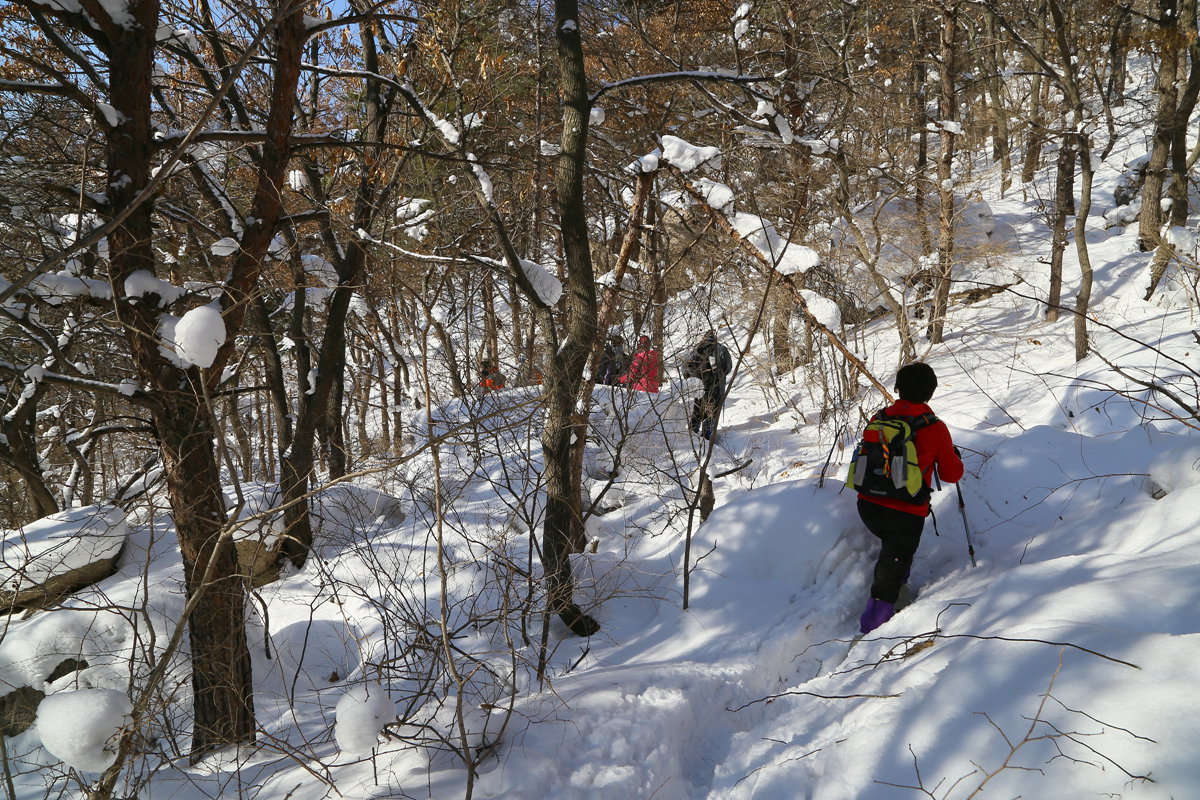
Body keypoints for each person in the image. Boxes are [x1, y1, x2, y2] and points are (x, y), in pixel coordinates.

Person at [856, 362, 963, 634]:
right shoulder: (934, 427)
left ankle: (899, 588)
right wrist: (954, 458)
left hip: (868, 504)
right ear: (930, 392)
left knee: (896, 554)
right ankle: (873, 625)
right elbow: (951, 475)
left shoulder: (879, 417)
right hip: (905, 512)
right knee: (893, 561)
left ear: (899, 388)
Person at [684, 330, 732, 440]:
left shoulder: (697, 350)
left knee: (698, 408)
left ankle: (692, 433)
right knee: (712, 410)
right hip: (716, 385)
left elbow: (687, 366)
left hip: (699, 385)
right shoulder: (721, 349)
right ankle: (707, 434)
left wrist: (693, 376)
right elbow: (728, 368)